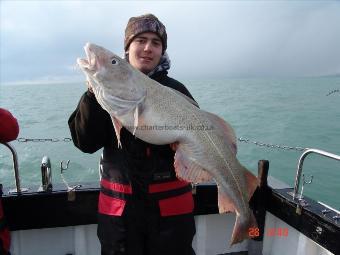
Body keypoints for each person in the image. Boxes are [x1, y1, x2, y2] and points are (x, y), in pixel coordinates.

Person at [68, 14, 197, 255]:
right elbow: (85, 142)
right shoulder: (101, 92)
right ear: (128, 48)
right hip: (120, 217)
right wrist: (92, 95)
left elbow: (198, 145)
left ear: (162, 51)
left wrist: (181, 145)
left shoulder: (177, 92)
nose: (148, 48)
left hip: (170, 215)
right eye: (140, 40)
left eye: (155, 43)